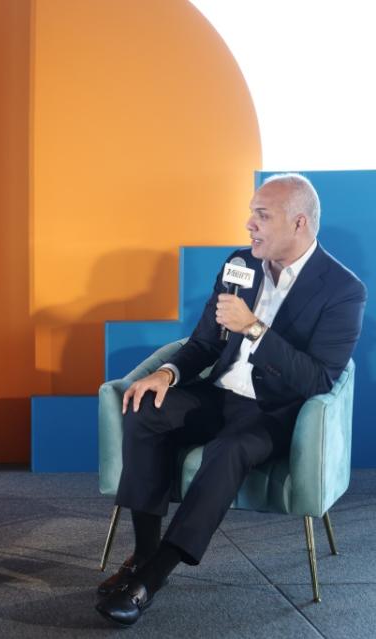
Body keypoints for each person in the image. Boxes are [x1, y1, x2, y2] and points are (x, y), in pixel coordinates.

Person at [96, 174, 366, 625]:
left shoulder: (343, 290)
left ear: (299, 223)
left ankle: (152, 579)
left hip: (274, 410)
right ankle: (142, 554)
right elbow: (203, 342)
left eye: (262, 215)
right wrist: (166, 373)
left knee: (228, 452)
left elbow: (319, 380)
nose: (249, 225)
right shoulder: (240, 264)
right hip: (220, 392)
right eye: (250, 213)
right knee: (146, 409)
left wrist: (255, 329)